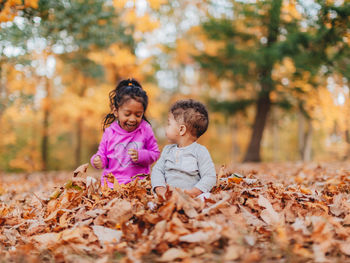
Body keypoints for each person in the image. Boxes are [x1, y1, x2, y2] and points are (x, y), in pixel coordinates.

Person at [91, 78, 160, 188]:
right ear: (116, 111)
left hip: (139, 184)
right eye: (127, 114)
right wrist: (97, 160)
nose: (132, 119)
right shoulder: (110, 132)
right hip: (112, 184)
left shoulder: (145, 129)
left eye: (138, 115)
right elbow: (102, 155)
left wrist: (142, 155)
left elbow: (155, 153)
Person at [151, 99, 216, 198]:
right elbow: (157, 170)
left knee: (207, 197)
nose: (165, 127)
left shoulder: (200, 151)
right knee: (151, 202)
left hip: (192, 196)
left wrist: (194, 192)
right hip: (167, 195)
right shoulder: (167, 150)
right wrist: (160, 188)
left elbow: (209, 176)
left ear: (181, 129)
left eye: (169, 124)